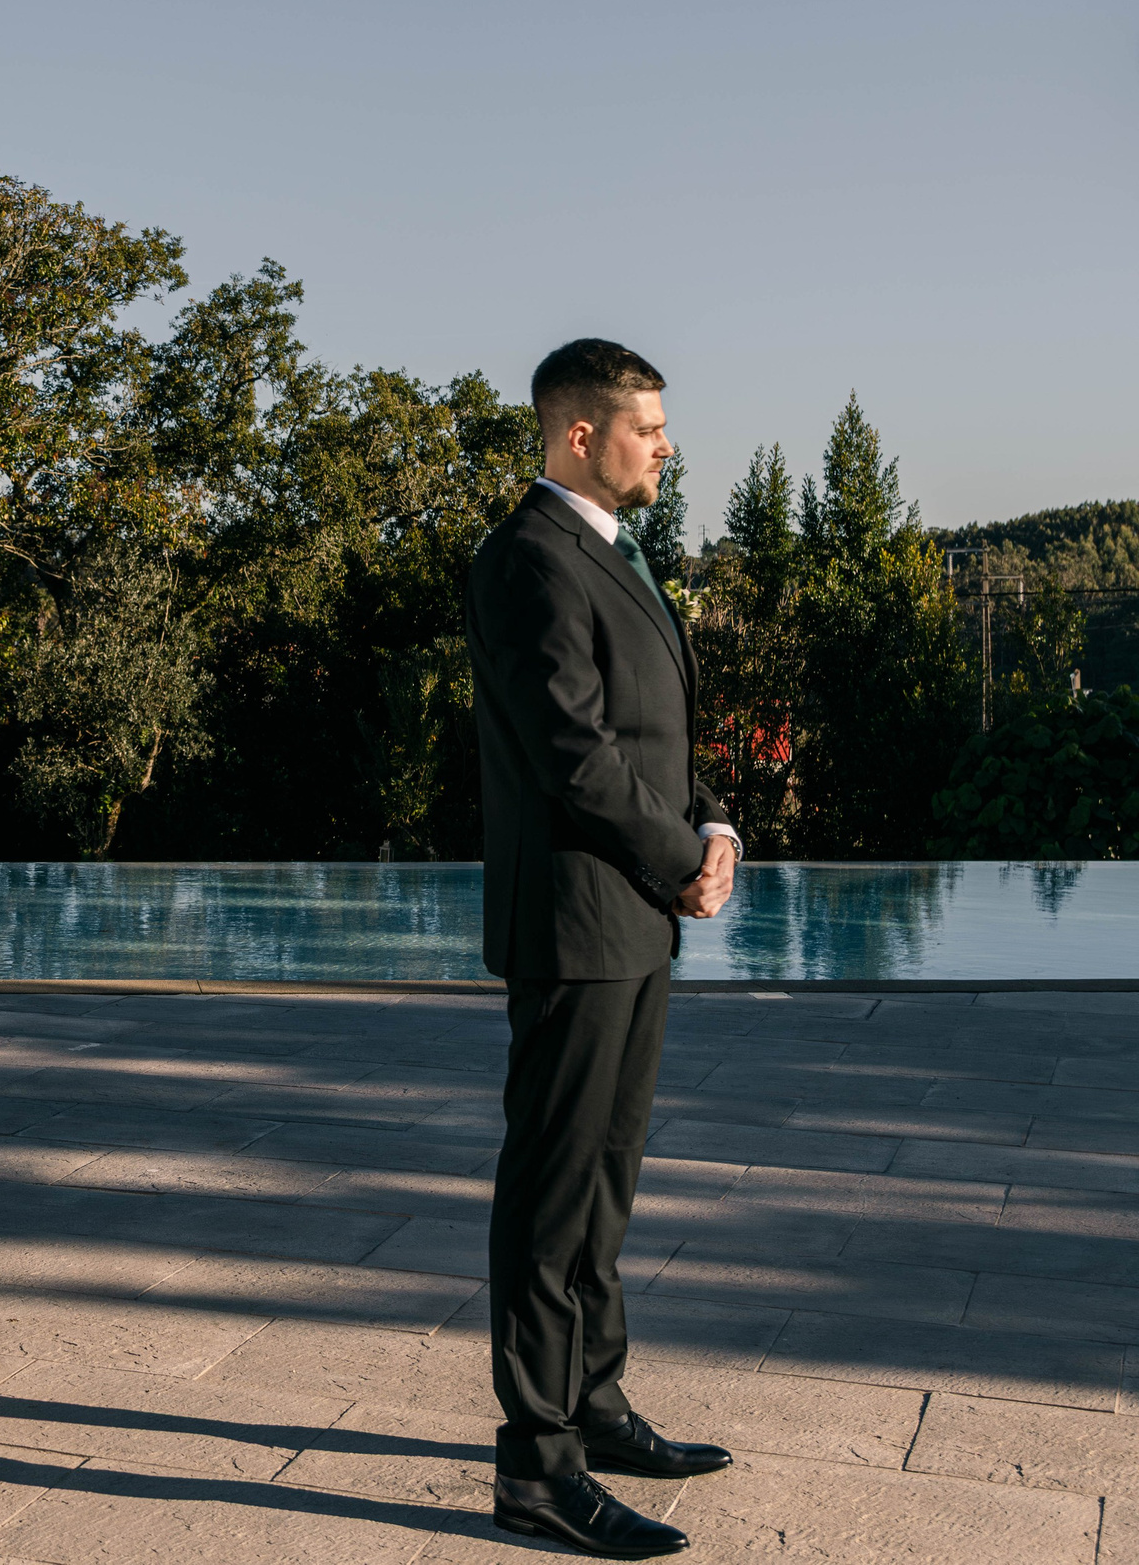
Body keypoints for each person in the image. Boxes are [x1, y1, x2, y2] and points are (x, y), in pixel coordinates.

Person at [464, 340, 737, 1558]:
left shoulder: (612, 550)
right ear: (580, 434)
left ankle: (596, 1401)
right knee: (552, 1191)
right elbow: (573, 752)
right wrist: (678, 856)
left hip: (634, 915)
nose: (665, 446)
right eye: (649, 428)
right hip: (575, 920)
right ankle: (535, 1463)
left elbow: (652, 730)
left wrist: (711, 827)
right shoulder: (526, 556)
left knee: (608, 1179)